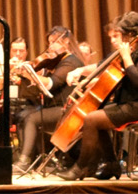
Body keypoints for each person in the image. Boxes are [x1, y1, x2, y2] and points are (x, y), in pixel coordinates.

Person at [55, 12, 138, 181]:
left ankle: (82, 167)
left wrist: (126, 57)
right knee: (95, 115)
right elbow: (102, 65)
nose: (113, 40)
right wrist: (80, 70)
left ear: (131, 34)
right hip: (128, 103)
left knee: (91, 119)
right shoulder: (127, 52)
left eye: (117, 35)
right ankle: (111, 164)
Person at [12, 26, 83, 172]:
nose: (50, 47)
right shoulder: (59, 61)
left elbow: (51, 84)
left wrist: (28, 74)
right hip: (56, 107)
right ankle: (35, 160)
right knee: (25, 115)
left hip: (68, 109)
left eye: (54, 42)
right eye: (49, 43)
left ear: (66, 42)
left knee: (32, 118)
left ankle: (24, 161)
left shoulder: (71, 62)